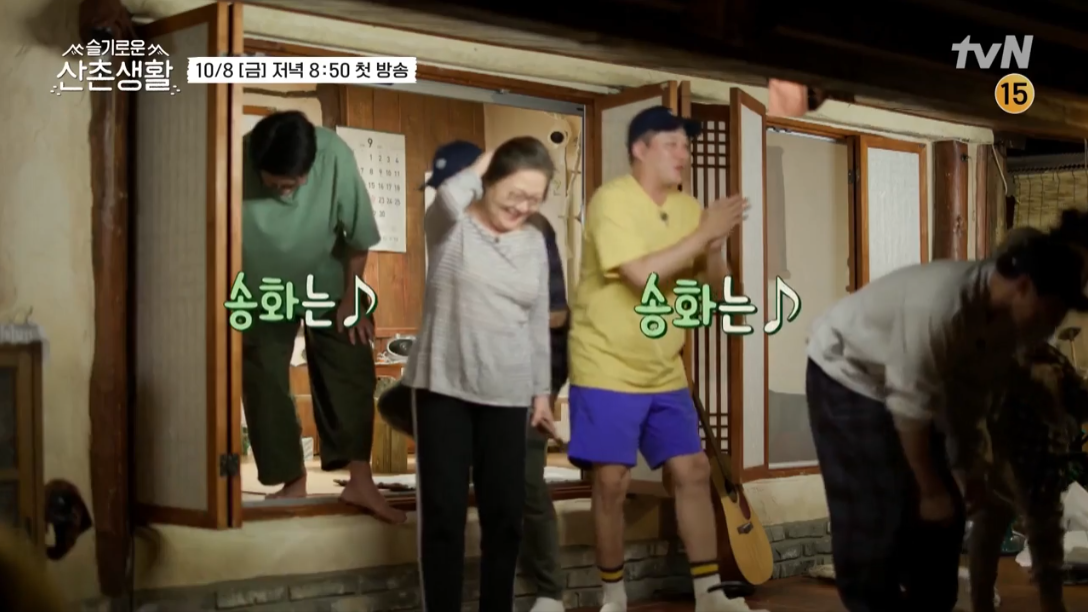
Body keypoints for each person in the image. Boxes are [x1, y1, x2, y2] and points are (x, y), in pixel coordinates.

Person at [805, 234, 1088, 612]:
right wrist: (929, 487)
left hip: (916, 388)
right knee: (879, 510)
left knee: (946, 514)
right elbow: (909, 405)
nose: (1048, 326)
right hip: (847, 370)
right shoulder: (939, 306)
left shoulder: (1005, 323)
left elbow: (966, 400)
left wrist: (967, 470)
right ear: (1023, 288)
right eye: (1049, 313)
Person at [566, 105, 751, 612]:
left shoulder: (691, 210)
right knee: (612, 480)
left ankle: (709, 594)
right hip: (605, 364)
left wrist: (715, 246)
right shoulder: (611, 201)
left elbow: (717, 293)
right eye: (672, 144)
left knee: (693, 470)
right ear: (640, 149)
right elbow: (640, 275)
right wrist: (702, 233)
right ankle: (613, 595)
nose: (683, 153)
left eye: (686, 145)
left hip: (664, 368)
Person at [402, 136, 558, 612]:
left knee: (505, 516)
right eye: (516, 193)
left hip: (508, 392)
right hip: (443, 387)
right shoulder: (450, 227)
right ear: (490, 180)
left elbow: (536, 321)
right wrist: (483, 163)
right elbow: (449, 197)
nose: (524, 206)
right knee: (444, 515)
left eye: (535, 198)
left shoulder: (533, 242)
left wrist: (541, 394)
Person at [241, 110, 404, 523]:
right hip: (261, 285)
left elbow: (358, 237)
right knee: (261, 374)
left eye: (292, 185)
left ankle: (360, 482)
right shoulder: (235, 160)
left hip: (326, 280)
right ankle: (291, 480)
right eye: (274, 185)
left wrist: (351, 299)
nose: (284, 193)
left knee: (351, 360)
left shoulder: (334, 156)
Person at [968, 226, 1088, 612]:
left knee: (1043, 545)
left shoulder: (1045, 351)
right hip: (997, 462)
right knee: (988, 539)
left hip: (1037, 465)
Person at [522, 211, 571, 612]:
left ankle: (551, 591)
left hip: (538, 364)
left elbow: (557, 314)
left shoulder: (536, 227)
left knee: (526, 477)